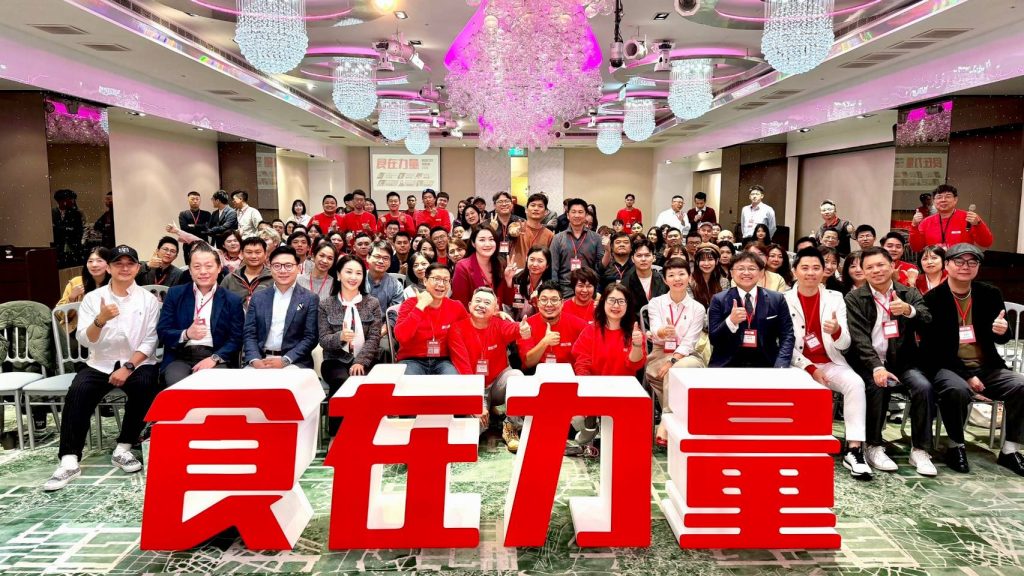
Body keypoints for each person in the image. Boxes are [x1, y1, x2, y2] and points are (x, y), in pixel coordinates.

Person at [43, 245, 161, 492]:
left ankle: (124, 447)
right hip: (100, 362)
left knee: (146, 384)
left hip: (136, 362)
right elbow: (85, 339)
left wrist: (128, 367)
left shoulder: (148, 299)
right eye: (119, 263)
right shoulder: (93, 299)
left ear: (137, 268)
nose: (124, 268)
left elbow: (150, 340)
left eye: (130, 264)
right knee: (79, 391)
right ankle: (69, 459)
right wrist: (101, 319)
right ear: (109, 268)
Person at [920, 243, 1024, 476]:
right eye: (959, 261)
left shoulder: (990, 294)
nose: (965, 266)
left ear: (978, 266)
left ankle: (1010, 450)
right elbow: (934, 350)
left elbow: (1002, 338)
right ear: (947, 265)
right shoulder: (933, 299)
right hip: (947, 366)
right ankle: (955, 445)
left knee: (1021, 385)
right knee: (957, 390)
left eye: (972, 262)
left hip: (987, 366)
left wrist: (1003, 331)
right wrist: (967, 376)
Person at [845, 246, 937, 476]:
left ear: (893, 266)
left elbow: (928, 321)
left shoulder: (908, 293)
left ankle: (920, 450)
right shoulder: (855, 298)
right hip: (868, 363)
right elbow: (859, 338)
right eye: (869, 267)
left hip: (903, 362)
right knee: (877, 385)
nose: (876, 270)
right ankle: (873, 445)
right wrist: (876, 367)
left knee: (924, 387)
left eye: (881, 265)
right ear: (863, 271)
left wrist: (908, 310)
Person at [784, 248, 872, 479]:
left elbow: (845, 343)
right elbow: (783, 344)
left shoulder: (835, 298)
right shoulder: (783, 300)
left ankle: (854, 449)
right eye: (805, 268)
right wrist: (810, 368)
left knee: (855, 384)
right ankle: (797, 444)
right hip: (798, 366)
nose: (811, 273)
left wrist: (837, 331)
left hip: (831, 362)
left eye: (816, 268)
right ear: (794, 271)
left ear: (824, 271)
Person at [448, 287, 528, 448]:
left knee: (517, 376)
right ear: (469, 305)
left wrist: (523, 329)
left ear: (495, 309)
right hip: (476, 387)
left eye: (487, 302)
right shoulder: (457, 329)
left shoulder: (499, 323)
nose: (481, 305)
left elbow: (515, 329)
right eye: (477, 301)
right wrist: (475, 404)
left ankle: (511, 426)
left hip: (498, 383)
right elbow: (464, 370)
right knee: (472, 433)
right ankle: (487, 411)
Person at [156, 243, 244, 386]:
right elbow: (163, 331)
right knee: (178, 386)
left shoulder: (232, 300)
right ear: (190, 271)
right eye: (197, 267)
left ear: (219, 268)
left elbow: (236, 338)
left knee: (211, 386)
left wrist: (214, 358)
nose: (203, 271)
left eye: (209, 266)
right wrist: (186, 334)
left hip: (215, 357)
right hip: (180, 357)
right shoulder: (175, 294)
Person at [319, 255, 383, 436]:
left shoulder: (372, 303)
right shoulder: (326, 304)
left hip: (367, 360)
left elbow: (374, 337)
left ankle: (367, 434)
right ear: (339, 275)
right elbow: (323, 339)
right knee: (342, 381)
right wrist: (339, 337)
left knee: (369, 385)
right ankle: (337, 436)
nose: (353, 277)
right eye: (349, 272)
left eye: (358, 273)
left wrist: (361, 361)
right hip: (335, 361)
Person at [645, 257, 706, 446]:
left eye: (681, 274)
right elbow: (655, 329)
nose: (677, 279)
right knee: (670, 375)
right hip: (660, 351)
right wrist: (663, 332)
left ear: (690, 277)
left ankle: (666, 422)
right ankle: (677, 425)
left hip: (687, 356)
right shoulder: (656, 303)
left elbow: (690, 342)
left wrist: (672, 361)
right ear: (665, 280)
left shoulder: (697, 308)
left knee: (676, 371)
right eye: (671, 275)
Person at [708, 250, 794, 368]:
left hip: (767, 364)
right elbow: (714, 339)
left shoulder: (777, 299)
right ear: (731, 273)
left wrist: (781, 365)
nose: (746, 273)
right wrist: (730, 321)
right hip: (728, 364)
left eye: (752, 268)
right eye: (740, 268)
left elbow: (787, 335)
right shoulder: (718, 299)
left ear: (761, 272)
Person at [243, 246, 320, 369]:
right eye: (277, 266)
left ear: (298, 268)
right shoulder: (258, 297)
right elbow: (249, 333)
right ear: (270, 268)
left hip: (294, 362)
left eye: (288, 266)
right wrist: (255, 359)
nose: (283, 271)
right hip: (261, 360)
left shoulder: (310, 298)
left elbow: (310, 337)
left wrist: (285, 360)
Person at [394, 263, 467, 375]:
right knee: (408, 382)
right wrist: (420, 306)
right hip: (412, 360)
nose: (441, 284)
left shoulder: (456, 306)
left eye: (446, 280)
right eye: (436, 279)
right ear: (425, 281)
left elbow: (471, 328)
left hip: (443, 360)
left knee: (452, 380)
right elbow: (401, 336)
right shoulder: (410, 303)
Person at [572, 283, 647, 377]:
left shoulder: (635, 333)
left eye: (621, 301)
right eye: (611, 300)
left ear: (627, 305)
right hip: (594, 384)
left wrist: (637, 345)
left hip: (624, 384)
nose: (616, 305)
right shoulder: (590, 331)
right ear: (603, 302)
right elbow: (582, 365)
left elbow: (634, 365)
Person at [518, 280, 586, 371]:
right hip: (536, 374)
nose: (549, 304)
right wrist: (545, 342)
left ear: (562, 303)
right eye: (544, 300)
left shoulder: (579, 325)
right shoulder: (526, 326)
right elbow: (528, 363)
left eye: (554, 300)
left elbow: (586, 360)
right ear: (538, 302)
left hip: (569, 375)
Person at [910, 184, 993, 251]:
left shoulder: (969, 218)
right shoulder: (926, 222)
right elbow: (916, 248)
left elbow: (986, 243)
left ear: (955, 200)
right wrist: (914, 226)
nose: (943, 200)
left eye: (948, 196)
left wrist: (978, 224)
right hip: (935, 264)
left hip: (960, 264)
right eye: (939, 197)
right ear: (934, 201)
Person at [550, 198, 605, 298]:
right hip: (564, 289)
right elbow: (554, 268)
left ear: (586, 215)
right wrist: (555, 292)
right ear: (568, 215)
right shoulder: (558, 238)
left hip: (588, 289)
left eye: (580, 212)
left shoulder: (596, 238)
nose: (576, 215)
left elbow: (599, 268)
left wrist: (595, 290)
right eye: (573, 212)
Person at [451, 226, 515, 309]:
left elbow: (508, 301)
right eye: (482, 240)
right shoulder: (462, 266)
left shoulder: (500, 263)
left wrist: (508, 280)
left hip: (496, 315)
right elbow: (461, 305)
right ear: (473, 243)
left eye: (491, 239)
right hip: (473, 316)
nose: (487, 244)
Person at [57, 248, 112, 334]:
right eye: (90, 261)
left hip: (107, 331)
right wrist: (71, 298)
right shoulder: (75, 283)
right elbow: (59, 315)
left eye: (99, 261)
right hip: (76, 332)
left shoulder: (115, 284)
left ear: (109, 264)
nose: (94, 265)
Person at [220, 237, 273, 309]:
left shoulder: (274, 278)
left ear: (265, 254)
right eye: (249, 252)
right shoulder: (230, 278)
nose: (253, 256)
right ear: (242, 254)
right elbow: (220, 302)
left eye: (258, 252)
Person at [510, 193, 554, 269]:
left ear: (546, 212)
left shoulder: (549, 235)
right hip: (516, 272)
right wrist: (514, 232)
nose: (536, 208)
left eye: (540, 206)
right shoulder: (516, 226)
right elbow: (511, 232)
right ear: (526, 210)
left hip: (538, 273)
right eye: (533, 205)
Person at [622, 239, 666, 313]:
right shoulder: (625, 283)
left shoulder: (663, 280)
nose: (643, 259)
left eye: (647, 255)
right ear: (632, 259)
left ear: (654, 258)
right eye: (639, 256)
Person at [510, 246, 552, 321]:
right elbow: (507, 306)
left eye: (540, 261)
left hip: (536, 323)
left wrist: (537, 304)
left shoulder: (549, 286)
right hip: (514, 321)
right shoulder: (515, 276)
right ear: (527, 259)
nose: (535, 264)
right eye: (532, 259)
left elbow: (548, 315)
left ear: (547, 265)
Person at [52, 189, 86, 268]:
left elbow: (79, 230)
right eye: (70, 199)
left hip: (74, 246)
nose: (73, 201)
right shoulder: (52, 212)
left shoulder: (76, 213)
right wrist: (66, 229)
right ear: (61, 201)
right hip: (58, 246)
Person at [691, 244, 728, 309]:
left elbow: (724, 305)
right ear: (697, 262)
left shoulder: (724, 282)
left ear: (717, 261)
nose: (706, 263)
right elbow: (691, 306)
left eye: (710, 259)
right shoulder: (690, 282)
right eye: (702, 260)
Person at [489, 191, 525, 257]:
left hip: (516, 259)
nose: (504, 204)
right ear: (494, 205)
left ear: (512, 204)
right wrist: (491, 230)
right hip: (494, 259)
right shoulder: (487, 224)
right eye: (500, 202)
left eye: (507, 201)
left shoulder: (521, 222)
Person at [178, 191, 212, 261]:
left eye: (197, 199)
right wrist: (201, 227)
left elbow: (207, 228)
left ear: (200, 200)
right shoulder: (183, 214)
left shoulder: (207, 214)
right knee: (189, 265)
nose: (195, 201)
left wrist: (193, 226)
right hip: (188, 245)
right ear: (188, 200)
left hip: (204, 244)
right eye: (192, 199)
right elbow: (184, 229)